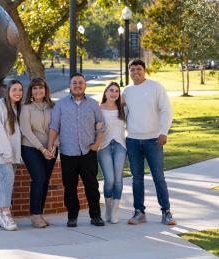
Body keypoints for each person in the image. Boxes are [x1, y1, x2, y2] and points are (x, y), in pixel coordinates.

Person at [122, 59, 176, 225]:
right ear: (129, 72)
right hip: (132, 140)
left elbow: (166, 110)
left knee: (158, 177)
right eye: (132, 70)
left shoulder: (155, 87)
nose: (135, 72)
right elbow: (122, 114)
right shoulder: (127, 91)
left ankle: (166, 212)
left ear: (144, 71)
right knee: (136, 178)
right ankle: (139, 212)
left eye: (138, 69)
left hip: (154, 139)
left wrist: (163, 132)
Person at [48, 73, 105, 227]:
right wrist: (50, 146)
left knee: (92, 186)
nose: (78, 85)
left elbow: (101, 127)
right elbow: (54, 127)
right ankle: (72, 216)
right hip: (68, 153)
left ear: (85, 85)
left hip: (88, 153)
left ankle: (96, 216)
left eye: (80, 82)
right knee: (70, 187)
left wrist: (95, 146)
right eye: (74, 83)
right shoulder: (60, 104)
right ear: (70, 85)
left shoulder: (93, 104)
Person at [0, 80, 23, 231]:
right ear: (8, 91)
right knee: (8, 178)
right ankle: (6, 214)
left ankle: (0, 216)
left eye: (20, 90)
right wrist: (6, 152)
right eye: (14, 89)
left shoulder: (16, 107)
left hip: (12, 153)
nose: (18, 93)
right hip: (0, 152)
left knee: (8, 181)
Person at [20, 78, 57, 228]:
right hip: (30, 147)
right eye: (35, 88)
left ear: (45, 90)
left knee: (45, 180)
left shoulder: (53, 106)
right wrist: (42, 149)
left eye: (41, 88)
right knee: (39, 178)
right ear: (31, 91)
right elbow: (26, 131)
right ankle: (35, 216)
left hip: (50, 148)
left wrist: (53, 146)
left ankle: (40, 214)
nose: (38, 91)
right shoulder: (26, 107)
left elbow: (57, 126)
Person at [98, 82, 126, 224]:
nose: (114, 93)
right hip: (104, 147)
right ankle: (108, 208)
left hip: (120, 145)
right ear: (105, 92)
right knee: (109, 180)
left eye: (116, 91)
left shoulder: (122, 109)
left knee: (118, 180)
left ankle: (115, 211)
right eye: (111, 90)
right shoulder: (99, 109)